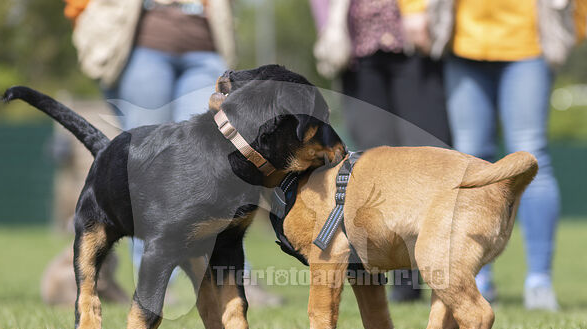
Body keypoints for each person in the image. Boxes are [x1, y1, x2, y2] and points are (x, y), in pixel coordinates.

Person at [63, 0, 283, 307]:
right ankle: (155, 282)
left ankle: (235, 279)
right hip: (143, 46)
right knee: (145, 166)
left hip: (205, 45)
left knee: (218, 155)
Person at [398, 0, 587, 310]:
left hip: (529, 43)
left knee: (530, 151)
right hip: (463, 41)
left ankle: (539, 280)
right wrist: (414, 8)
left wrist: (573, 24)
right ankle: (478, 276)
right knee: (470, 158)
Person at [310, 0, 452, 301]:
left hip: (416, 47)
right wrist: (330, 30)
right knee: (379, 170)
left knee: (431, 157)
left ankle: (445, 271)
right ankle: (404, 279)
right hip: (359, 55)